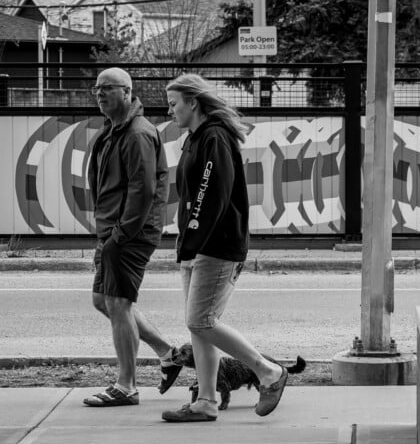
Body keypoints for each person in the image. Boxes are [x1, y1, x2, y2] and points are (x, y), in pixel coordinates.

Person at [161, 73, 288, 422]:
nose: (170, 110)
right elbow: (192, 196)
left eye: (173, 104)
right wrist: (186, 241)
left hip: (216, 246)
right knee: (198, 326)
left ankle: (268, 372)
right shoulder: (195, 138)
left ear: (193, 102)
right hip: (196, 245)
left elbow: (210, 194)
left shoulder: (214, 137)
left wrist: (193, 238)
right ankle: (205, 401)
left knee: (201, 321)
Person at [83, 67, 184, 407]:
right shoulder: (114, 129)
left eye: (108, 88)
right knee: (103, 300)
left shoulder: (137, 133)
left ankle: (126, 385)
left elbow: (143, 189)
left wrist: (121, 233)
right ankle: (167, 353)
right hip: (114, 229)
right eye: (97, 88)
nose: (100, 93)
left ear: (127, 92)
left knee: (119, 303)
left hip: (128, 232)